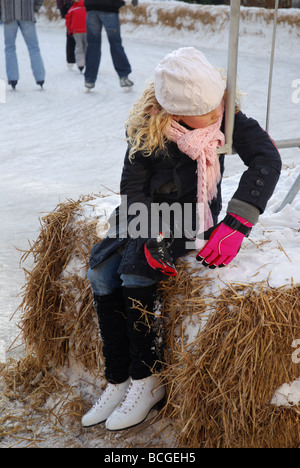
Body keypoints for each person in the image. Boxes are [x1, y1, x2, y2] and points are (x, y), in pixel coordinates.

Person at [81, 47, 282, 431]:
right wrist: (148, 231)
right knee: (101, 271)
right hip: (145, 216)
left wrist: (237, 222)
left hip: (192, 217)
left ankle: (148, 378)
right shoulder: (148, 127)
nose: (214, 115)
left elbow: (268, 160)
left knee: (136, 275)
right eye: (203, 111)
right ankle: (118, 378)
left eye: (215, 105)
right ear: (173, 111)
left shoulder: (226, 116)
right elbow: (133, 187)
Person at [84, 0, 138, 90]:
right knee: (115, 43)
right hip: (109, 7)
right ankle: (123, 76)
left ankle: (89, 79)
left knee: (93, 44)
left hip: (91, 7)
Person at [0, 0, 45, 89]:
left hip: (8, 14)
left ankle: (13, 78)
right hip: (27, 13)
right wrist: (34, 9)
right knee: (33, 47)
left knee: (9, 48)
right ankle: (40, 78)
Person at [65, 0, 87, 72]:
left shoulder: (72, 9)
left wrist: (69, 30)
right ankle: (89, 63)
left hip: (76, 31)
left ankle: (81, 65)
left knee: (79, 47)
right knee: (88, 47)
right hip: (87, 30)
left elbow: (68, 21)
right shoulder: (88, 8)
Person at [56, 0, 76, 69]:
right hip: (70, 5)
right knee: (71, 33)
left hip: (84, 5)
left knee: (72, 33)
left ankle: (73, 60)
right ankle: (71, 60)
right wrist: (61, 7)